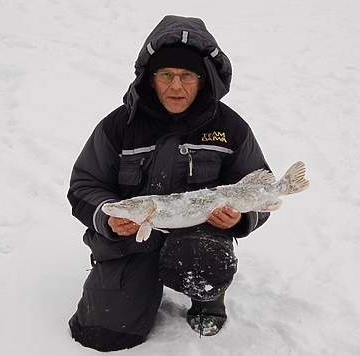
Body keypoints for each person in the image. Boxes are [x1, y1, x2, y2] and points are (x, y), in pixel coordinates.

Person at [67, 15, 272, 352]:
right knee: (102, 335)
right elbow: (83, 186)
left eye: (187, 76)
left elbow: (258, 187)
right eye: (166, 75)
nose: (176, 87)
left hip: (199, 237)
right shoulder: (119, 126)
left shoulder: (230, 128)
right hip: (135, 238)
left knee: (202, 262)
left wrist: (241, 218)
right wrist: (106, 217)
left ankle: (209, 296)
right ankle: (135, 280)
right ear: (151, 80)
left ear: (203, 80)